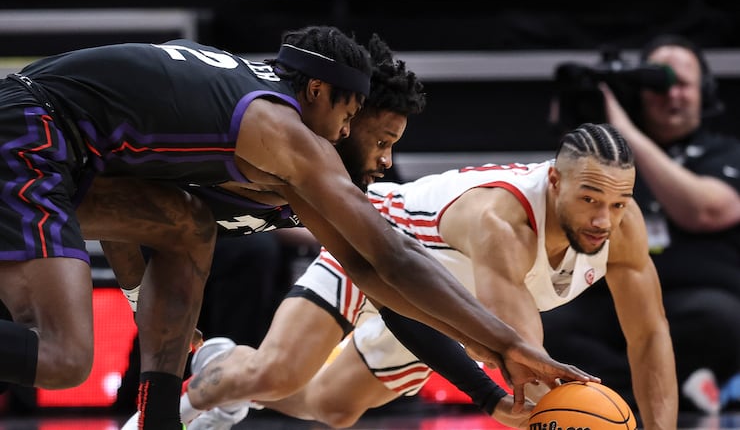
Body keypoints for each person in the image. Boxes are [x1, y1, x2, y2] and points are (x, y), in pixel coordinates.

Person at [0, 26, 592, 430]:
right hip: (34, 128)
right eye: (361, 125)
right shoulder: (285, 133)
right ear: (320, 94)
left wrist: (489, 375)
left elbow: (135, 211)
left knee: (189, 226)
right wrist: (507, 344)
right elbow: (390, 261)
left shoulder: (284, 156)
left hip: (70, 157)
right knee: (65, 359)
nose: (374, 151)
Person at [115, 32, 533, 430]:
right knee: (217, 293)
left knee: (329, 404)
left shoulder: (331, 174)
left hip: (177, 228)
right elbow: (120, 194)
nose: (387, 160)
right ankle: (165, 397)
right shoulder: (270, 136)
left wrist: (488, 387)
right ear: (344, 116)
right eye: (381, 142)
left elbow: (394, 299)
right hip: (111, 180)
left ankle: (207, 378)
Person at [180, 122, 678, 430]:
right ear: (554, 180)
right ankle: (176, 403)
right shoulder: (502, 223)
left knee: (332, 407)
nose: (603, 219)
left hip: (443, 302)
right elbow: (523, 358)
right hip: (379, 243)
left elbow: (650, 336)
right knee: (278, 371)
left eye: (618, 203)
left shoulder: (621, 225)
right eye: (590, 199)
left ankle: (228, 373)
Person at [543, 34, 740, 414]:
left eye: (682, 85)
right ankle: (671, 393)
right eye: (658, 86)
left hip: (694, 302)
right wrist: (577, 141)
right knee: (548, 326)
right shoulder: (602, 159)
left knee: (720, 320)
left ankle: (613, 399)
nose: (671, 95)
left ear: (704, 92)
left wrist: (625, 134)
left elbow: (706, 211)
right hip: (608, 297)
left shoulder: (726, 153)